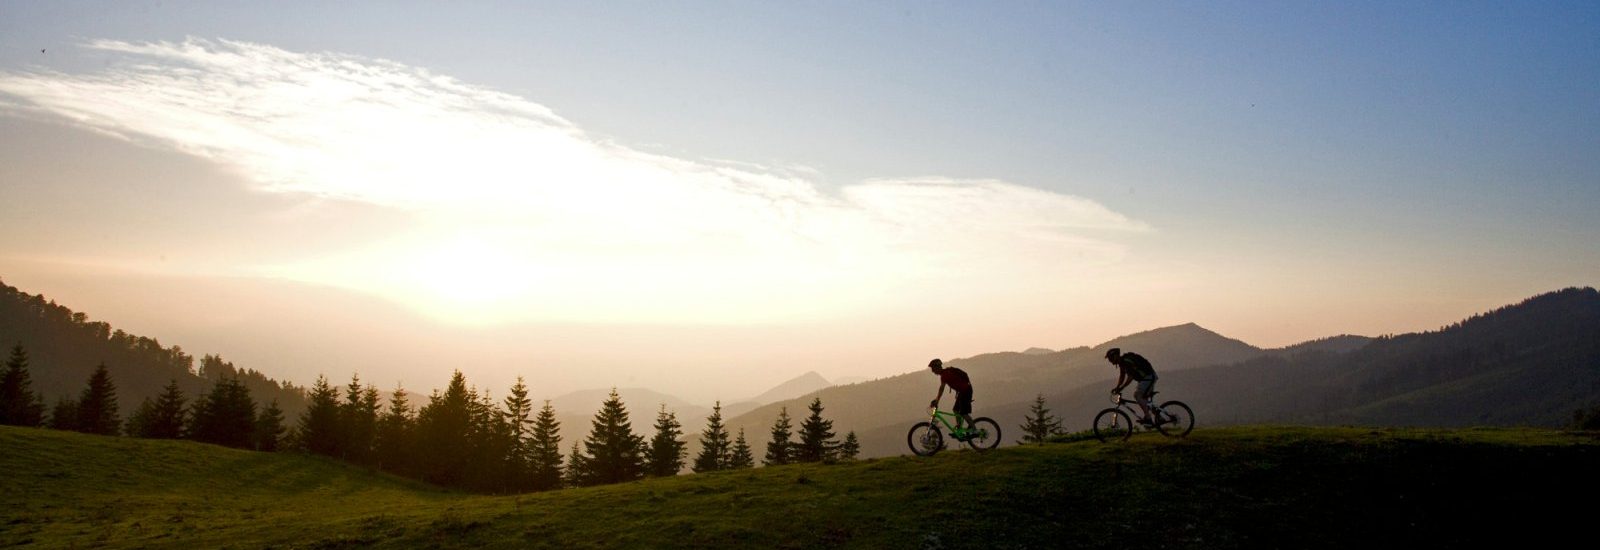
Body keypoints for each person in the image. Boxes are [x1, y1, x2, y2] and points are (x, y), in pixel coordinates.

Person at [1105, 348, 1160, 426]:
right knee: (1145, 401)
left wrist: (1122, 387)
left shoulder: (1126, 361)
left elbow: (1130, 377)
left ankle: (1148, 419)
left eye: (1110, 358)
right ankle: (1160, 417)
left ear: (1116, 356)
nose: (1110, 361)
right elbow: (1122, 376)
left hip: (1148, 378)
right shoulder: (1122, 363)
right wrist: (1117, 387)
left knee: (1137, 395)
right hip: (1147, 379)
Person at [927, 358, 975, 437]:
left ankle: (974, 430)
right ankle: (959, 429)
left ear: (937, 367)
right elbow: (941, 388)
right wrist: (937, 400)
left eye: (933, 369)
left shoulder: (945, 375)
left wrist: (937, 400)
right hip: (963, 392)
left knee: (963, 413)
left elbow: (941, 388)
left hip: (966, 391)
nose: (932, 371)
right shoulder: (945, 374)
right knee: (955, 410)